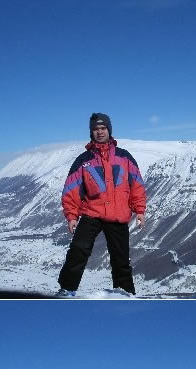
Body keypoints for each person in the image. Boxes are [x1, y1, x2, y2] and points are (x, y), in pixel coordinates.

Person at [56, 113, 146, 297]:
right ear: (91, 132)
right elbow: (71, 189)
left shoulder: (124, 157)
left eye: (103, 128)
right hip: (92, 213)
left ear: (109, 130)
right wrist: (72, 216)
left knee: (121, 259)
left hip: (118, 214)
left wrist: (139, 210)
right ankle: (67, 289)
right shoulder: (83, 160)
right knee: (78, 249)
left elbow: (136, 184)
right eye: (96, 129)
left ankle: (125, 294)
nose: (99, 132)